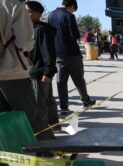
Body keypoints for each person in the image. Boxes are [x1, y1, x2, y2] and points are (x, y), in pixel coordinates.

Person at [0, 0, 42, 136]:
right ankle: (40, 152)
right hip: (12, 71)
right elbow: (24, 42)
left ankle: (9, 153)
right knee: (29, 119)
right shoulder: (14, 6)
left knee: (3, 121)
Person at [48, 0, 95, 115]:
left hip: (57, 53)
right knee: (78, 78)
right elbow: (75, 35)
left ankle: (63, 106)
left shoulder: (51, 15)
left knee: (61, 81)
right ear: (72, 6)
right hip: (72, 53)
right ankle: (85, 100)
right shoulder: (69, 16)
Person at [25, 1, 59, 139]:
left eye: (28, 11)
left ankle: (44, 134)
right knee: (48, 100)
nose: (25, 14)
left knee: (40, 105)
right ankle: (53, 125)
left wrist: (48, 71)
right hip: (38, 71)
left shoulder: (41, 30)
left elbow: (48, 52)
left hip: (39, 72)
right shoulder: (31, 28)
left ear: (37, 14)